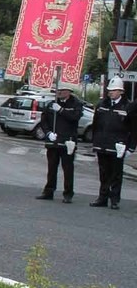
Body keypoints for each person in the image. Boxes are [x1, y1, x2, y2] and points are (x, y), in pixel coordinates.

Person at [90, 77, 137, 209]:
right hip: (102, 144)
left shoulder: (128, 106)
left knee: (116, 174)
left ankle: (114, 199)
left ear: (120, 91)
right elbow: (95, 125)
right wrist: (95, 142)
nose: (111, 92)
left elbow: (134, 129)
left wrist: (131, 147)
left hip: (118, 146)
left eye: (114, 90)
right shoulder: (101, 105)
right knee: (103, 173)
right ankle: (102, 197)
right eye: (110, 90)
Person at [36, 80, 84, 204]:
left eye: (62, 91)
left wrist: (61, 110)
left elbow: (75, 117)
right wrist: (48, 133)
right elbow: (44, 120)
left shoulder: (76, 104)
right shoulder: (52, 104)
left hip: (68, 141)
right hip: (53, 141)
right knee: (51, 168)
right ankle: (49, 191)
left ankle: (68, 193)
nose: (59, 93)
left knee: (68, 169)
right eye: (58, 91)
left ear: (68, 92)